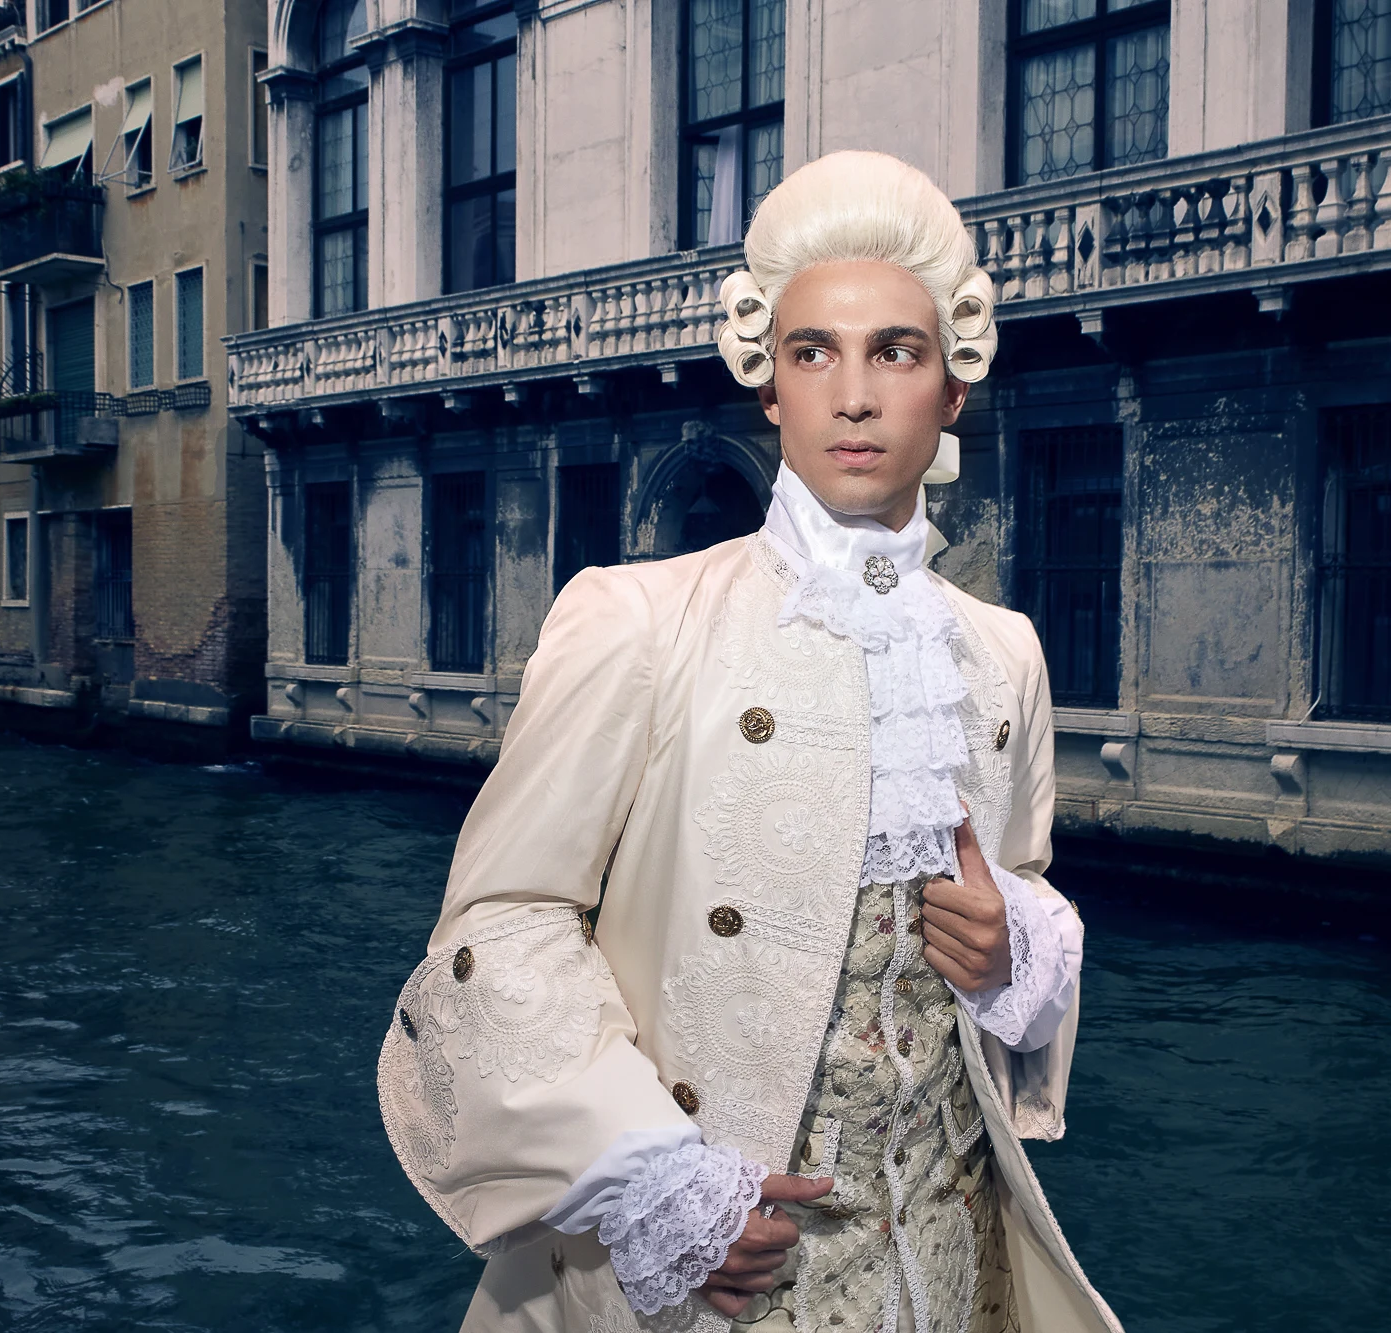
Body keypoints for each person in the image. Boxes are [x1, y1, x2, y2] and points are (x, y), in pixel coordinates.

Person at [378, 150, 1121, 1333]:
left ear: (952, 390)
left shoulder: (1003, 654)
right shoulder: (635, 618)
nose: (853, 396)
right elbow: (501, 924)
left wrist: (1012, 956)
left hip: (947, 1268)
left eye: (896, 352)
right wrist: (655, 1182)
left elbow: (1016, 882)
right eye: (812, 353)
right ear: (769, 388)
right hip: (719, 1275)